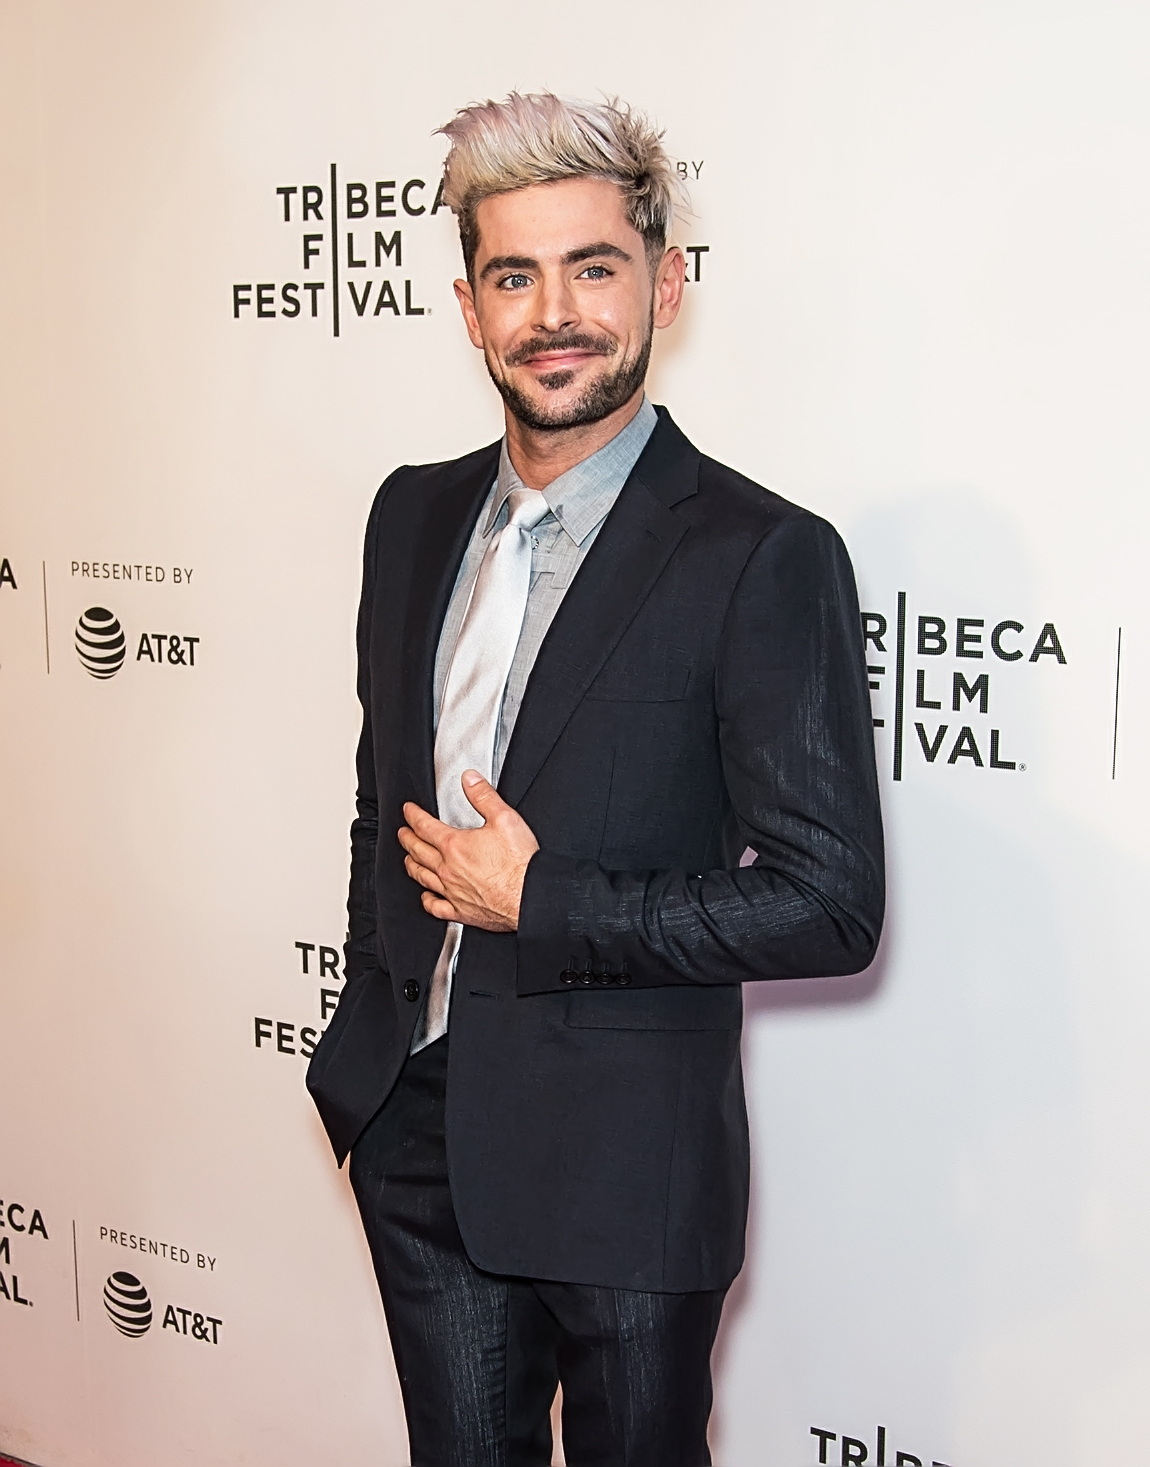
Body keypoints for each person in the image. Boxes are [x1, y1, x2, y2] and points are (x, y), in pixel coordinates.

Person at [307, 91, 884, 1467]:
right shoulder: (411, 512)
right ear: (467, 306)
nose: (552, 312)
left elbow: (826, 904)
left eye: (593, 267)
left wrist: (544, 898)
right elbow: (375, 794)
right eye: (514, 274)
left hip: (626, 1163)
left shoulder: (758, 553)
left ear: (664, 284)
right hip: (416, 1127)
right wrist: (367, 1048)